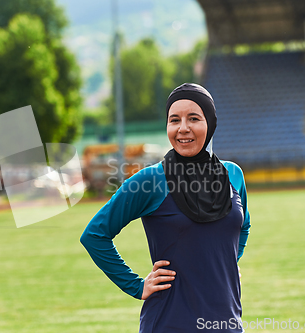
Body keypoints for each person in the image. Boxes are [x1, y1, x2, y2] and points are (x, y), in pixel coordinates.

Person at [80, 83, 251, 332]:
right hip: (170, 321)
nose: (183, 128)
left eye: (194, 118)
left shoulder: (233, 175)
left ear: (211, 123)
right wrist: (136, 286)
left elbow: (242, 225)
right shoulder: (149, 180)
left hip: (225, 321)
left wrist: (228, 262)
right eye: (174, 120)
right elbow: (94, 235)